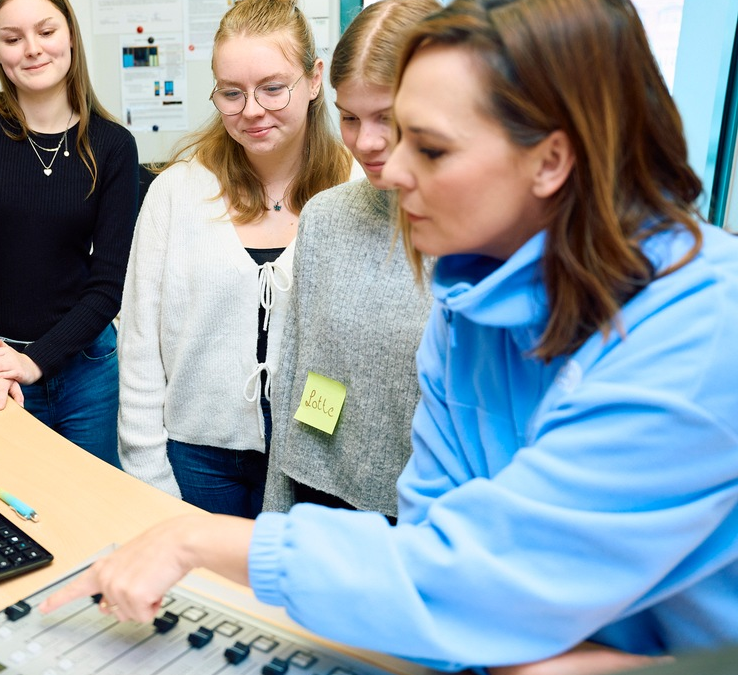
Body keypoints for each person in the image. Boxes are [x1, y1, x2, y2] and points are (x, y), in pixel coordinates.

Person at [43, 0, 738, 672]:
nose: (390, 168)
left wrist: (201, 537)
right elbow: (438, 553)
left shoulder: (700, 328)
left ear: (551, 161)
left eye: (428, 147)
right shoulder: (469, 305)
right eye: (376, 126)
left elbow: (477, 585)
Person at [117, 0, 352, 518]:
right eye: (232, 92)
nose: (251, 110)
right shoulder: (175, 195)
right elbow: (138, 349)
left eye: (272, 87)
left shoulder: (358, 191)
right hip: (198, 456)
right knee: (206, 593)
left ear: (314, 79)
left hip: (314, 459)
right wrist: (149, 479)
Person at [0, 0, 139, 467]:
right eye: (12, 38)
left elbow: (109, 283)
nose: (32, 49)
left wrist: (33, 361)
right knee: (9, 513)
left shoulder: (113, 146)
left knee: (91, 511)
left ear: (70, 36)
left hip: (85, 369)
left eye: (45, 31)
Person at [263, 0, 438, 522]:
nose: (367, 141)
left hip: (420, 516)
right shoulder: (326, 217)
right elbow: (293, 371)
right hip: (316, 496)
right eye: (350, 118)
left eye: (387, 117)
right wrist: (276, 514)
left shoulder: (473, 233)